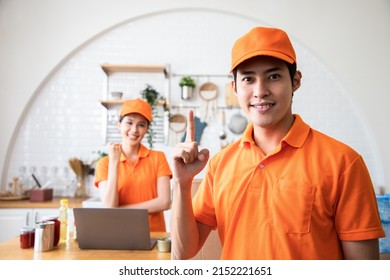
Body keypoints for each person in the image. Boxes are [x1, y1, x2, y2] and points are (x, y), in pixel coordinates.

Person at [170, 26, 385, 259]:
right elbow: (184, 251)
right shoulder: (220, 164)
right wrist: (182, 183)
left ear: (295, 81)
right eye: (248, 79)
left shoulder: (344, 162)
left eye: (273, 76)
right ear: (234, 88)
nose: (260, 91)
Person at [94, 98, 172, 232]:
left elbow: (164, 202)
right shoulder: (105, 163)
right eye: (129, 122)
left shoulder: (158, 158)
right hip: (118, 233)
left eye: (141, 125)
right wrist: (114, 163)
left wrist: (120, 211)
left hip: (153, 234)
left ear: (147, 129)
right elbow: (108, 207)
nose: (134, 130)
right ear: (119, 124)